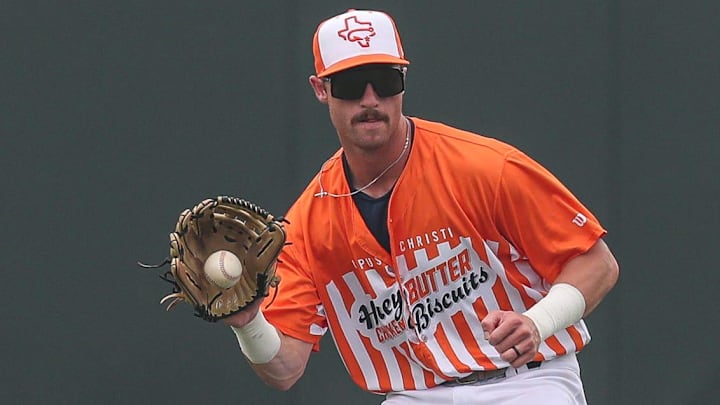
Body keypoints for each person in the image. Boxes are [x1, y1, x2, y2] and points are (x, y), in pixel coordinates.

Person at [224, 9, 619, 404]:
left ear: (403, 82)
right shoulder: (307, 225)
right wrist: (247, 323)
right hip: (414, 394)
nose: (370, 99)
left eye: (384, 80)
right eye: (348, 84)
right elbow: (285, 369)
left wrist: (537, 321)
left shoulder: (483, 167)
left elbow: (597, 263)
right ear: (320, 88)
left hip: (528, 382)